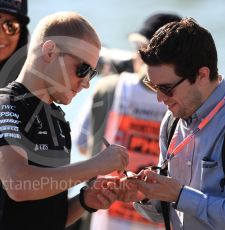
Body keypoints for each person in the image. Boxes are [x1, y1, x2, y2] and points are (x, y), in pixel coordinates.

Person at [0, 12, 135, 230]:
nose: (86, 83)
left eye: (92, 74)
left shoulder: (57, 121)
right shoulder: (1, 107)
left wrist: (86, 200)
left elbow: (49, 217)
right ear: (49, 51)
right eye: (82, 69)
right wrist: (96, 164)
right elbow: (18, 184)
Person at [132, 18, 225, 229]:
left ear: (202, 75)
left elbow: (179, 198)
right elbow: (166, 213)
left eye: (167, 88)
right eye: (153, 86)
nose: (159, 98)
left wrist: (179, 195)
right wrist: (145, 195)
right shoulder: (171, 122)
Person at [88, 13, 181, 230]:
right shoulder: (186, 98)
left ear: (143, 48)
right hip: (162, 220)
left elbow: (86, 147)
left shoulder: (110, 88)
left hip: (108, 217)